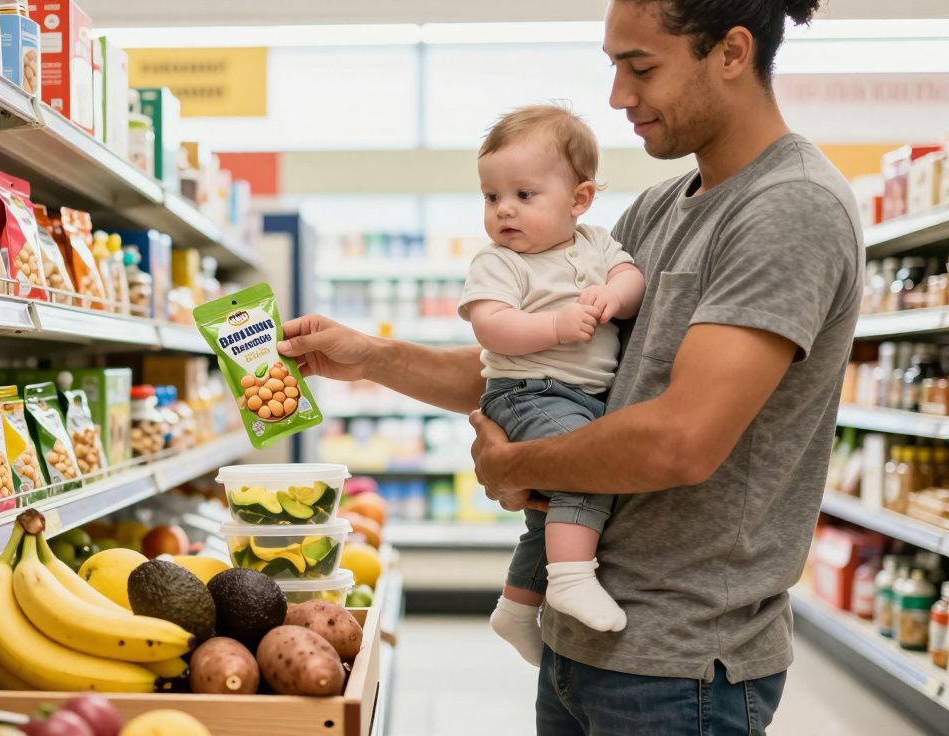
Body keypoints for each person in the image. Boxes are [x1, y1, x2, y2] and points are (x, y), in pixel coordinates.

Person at [277, 0, 861, 731]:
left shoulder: (788, 207)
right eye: (614, 66)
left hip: (679, 666)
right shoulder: (657, 209)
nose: (617, 96)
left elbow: (682, 439)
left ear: (732, 52)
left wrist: (516, 461)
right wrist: (369, 357)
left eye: (640, 66)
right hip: (576, 638)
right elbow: (545, 371)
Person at [463, 105, 645, 662]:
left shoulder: (595, 242)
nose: (504, 211)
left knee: (548, 513)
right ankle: (569, 580)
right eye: (492, 197)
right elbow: (490, 324)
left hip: (581, 398)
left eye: (524, 195)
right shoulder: (499, 263)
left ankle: (517, 610)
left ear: (580, 199)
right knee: (585, 470)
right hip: (528, 394)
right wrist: (555, 325)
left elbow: (631, 277)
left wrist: (614, 296)